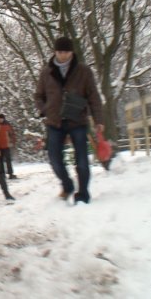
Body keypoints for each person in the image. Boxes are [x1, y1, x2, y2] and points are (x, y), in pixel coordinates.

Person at [34, 36, 104, 204]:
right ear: (55, 52)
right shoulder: (46, 72)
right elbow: (38, 96)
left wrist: (98, 119)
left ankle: (83, 193)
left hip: (77, 120)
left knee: (81, 159)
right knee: (54, 159)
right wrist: (45, 109)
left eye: (66, 52)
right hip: (54, 122)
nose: (62, 55)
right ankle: (67, 185)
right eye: (59, 51)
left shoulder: (83, 71)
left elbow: (93, 96)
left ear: (71, 52)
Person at [0, 113, 18, 179]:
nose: (0, 120)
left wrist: (13, 142)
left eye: (1, 118)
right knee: (0, 161)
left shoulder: (7, 125)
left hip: (6, 145)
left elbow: (12, 134)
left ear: (3, 118)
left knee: (8, 160)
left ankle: (10, 173)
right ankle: (2, 174)